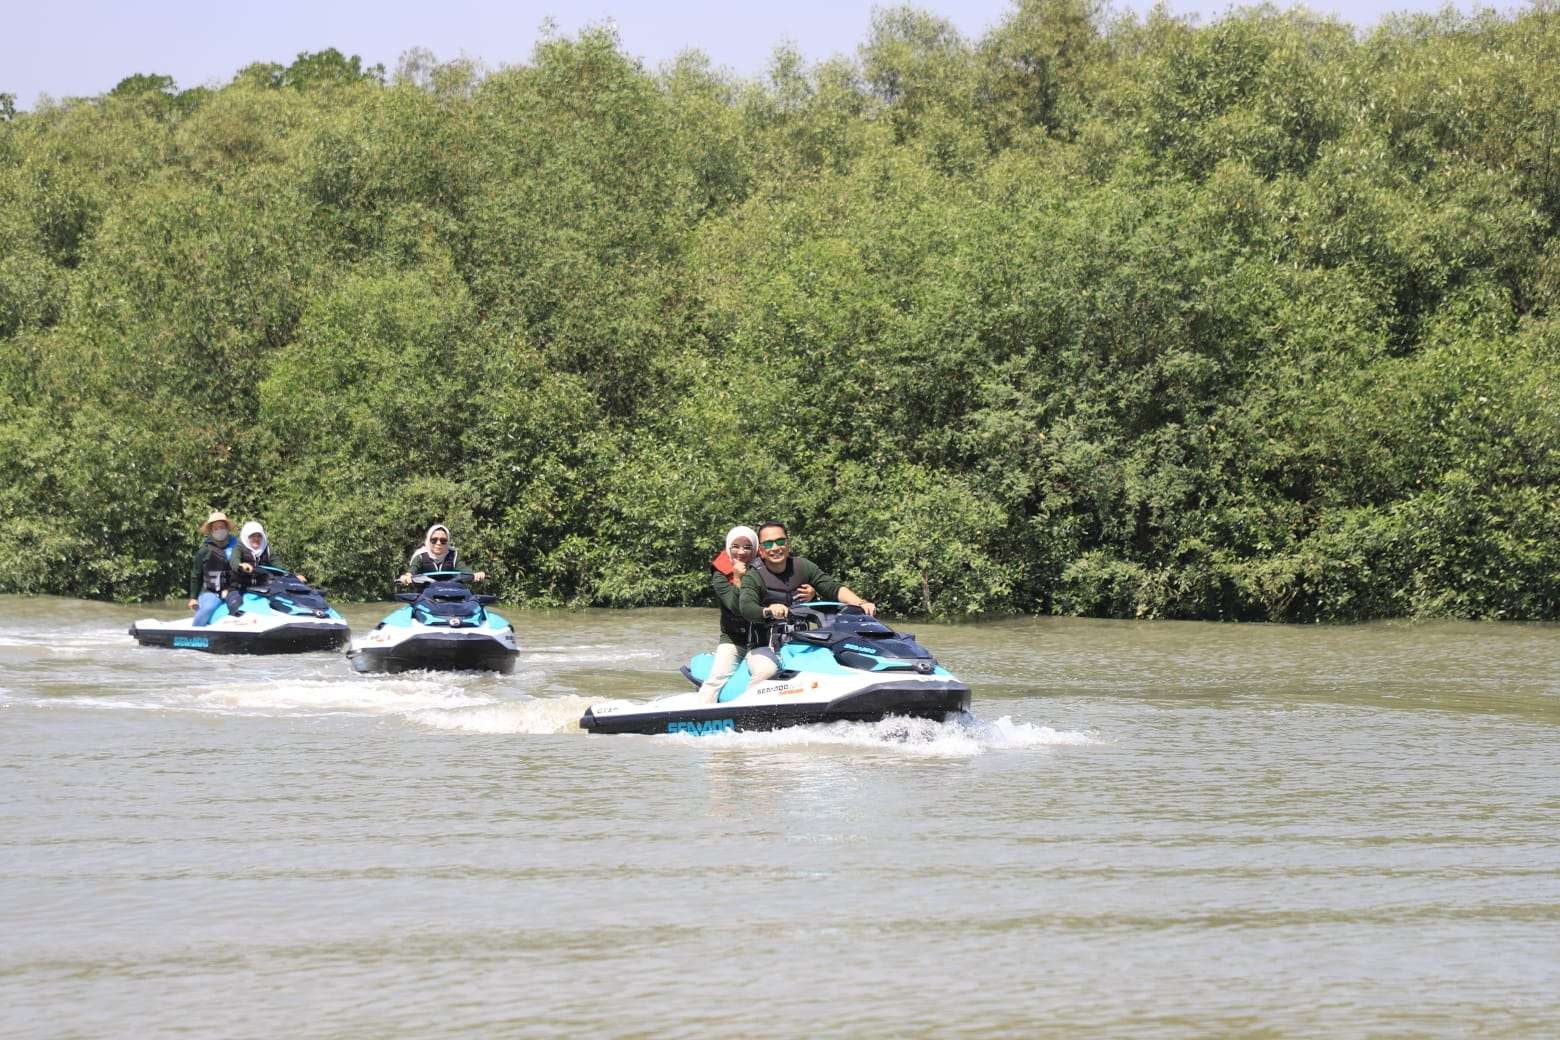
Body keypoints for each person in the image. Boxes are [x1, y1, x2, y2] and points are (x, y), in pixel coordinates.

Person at [737, 521, 876, 690]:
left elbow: (832, 587)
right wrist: (768, 610)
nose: (775, 547)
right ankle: (750, 713)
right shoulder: (753, 575)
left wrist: (861, 602)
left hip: (802, 644)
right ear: (761, 551)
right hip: (765, 648)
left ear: (788, 544)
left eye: (780, 541)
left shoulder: (803, 567)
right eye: (768, 543)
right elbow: (746, 607)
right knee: (767, 671)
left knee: (842, 659)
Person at [696, 525, 761, 703]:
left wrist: (811, 593)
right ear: (728, 548)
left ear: (755, 549)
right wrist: (738, 578)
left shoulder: (767, 568)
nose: (741, 552)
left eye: (748, 547)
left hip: (766, 638)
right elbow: (736, 607)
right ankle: (698, 715)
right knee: (716, 680)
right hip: (735, 639)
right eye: (736, 546)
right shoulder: (720, 575)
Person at [187, 511, 239, 626]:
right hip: (211, 591)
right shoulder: (204, 550)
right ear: (211, 531)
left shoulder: (237, 546)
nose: (219, 530)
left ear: (227, 528)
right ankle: (194, 632)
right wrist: (193, 598)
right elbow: (196, 575)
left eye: (222, 527)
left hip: (232, 589)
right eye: (216, 528)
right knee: (209, 608)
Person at [398, 524, 486, 585]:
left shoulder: (454, 555)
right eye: (434, 540)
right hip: (425, 597)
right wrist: (407, 577)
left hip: (452, 595)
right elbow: (412, 569)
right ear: (428, 540)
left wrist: (474, 575)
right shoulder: (420, 556)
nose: (438, 543)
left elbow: (463, 569)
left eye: (443, 540)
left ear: (447, 542)